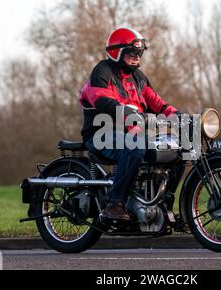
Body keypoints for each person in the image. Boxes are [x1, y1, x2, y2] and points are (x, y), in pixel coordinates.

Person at [79, 27, 179, 221]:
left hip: (133, 134)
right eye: (131, 53)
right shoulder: (102, 72)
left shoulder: (139, 79)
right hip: (101, 135)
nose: (136, 58)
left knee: (174, 149)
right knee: (135, 145)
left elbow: (157, 103)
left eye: (139, 54)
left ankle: (162, 203)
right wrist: (128, 117)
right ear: (117, 53)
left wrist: (179, 117)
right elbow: (102, 100)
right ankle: (114, 204)